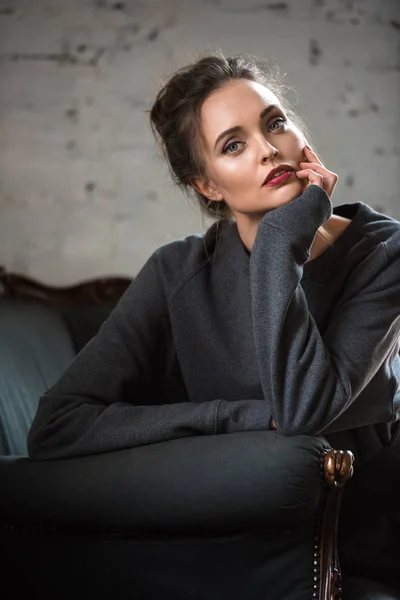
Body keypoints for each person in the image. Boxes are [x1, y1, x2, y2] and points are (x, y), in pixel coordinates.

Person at [28, 52, 400, 593]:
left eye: (275, 123)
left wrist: (277, 241)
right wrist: (237, 418)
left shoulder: (383, 252)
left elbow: (302, 410)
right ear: (208, 186)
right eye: (234, 144)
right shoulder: (176, 273)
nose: (269, 148)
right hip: (229, 550)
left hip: (368, 541)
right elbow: (56, 426)